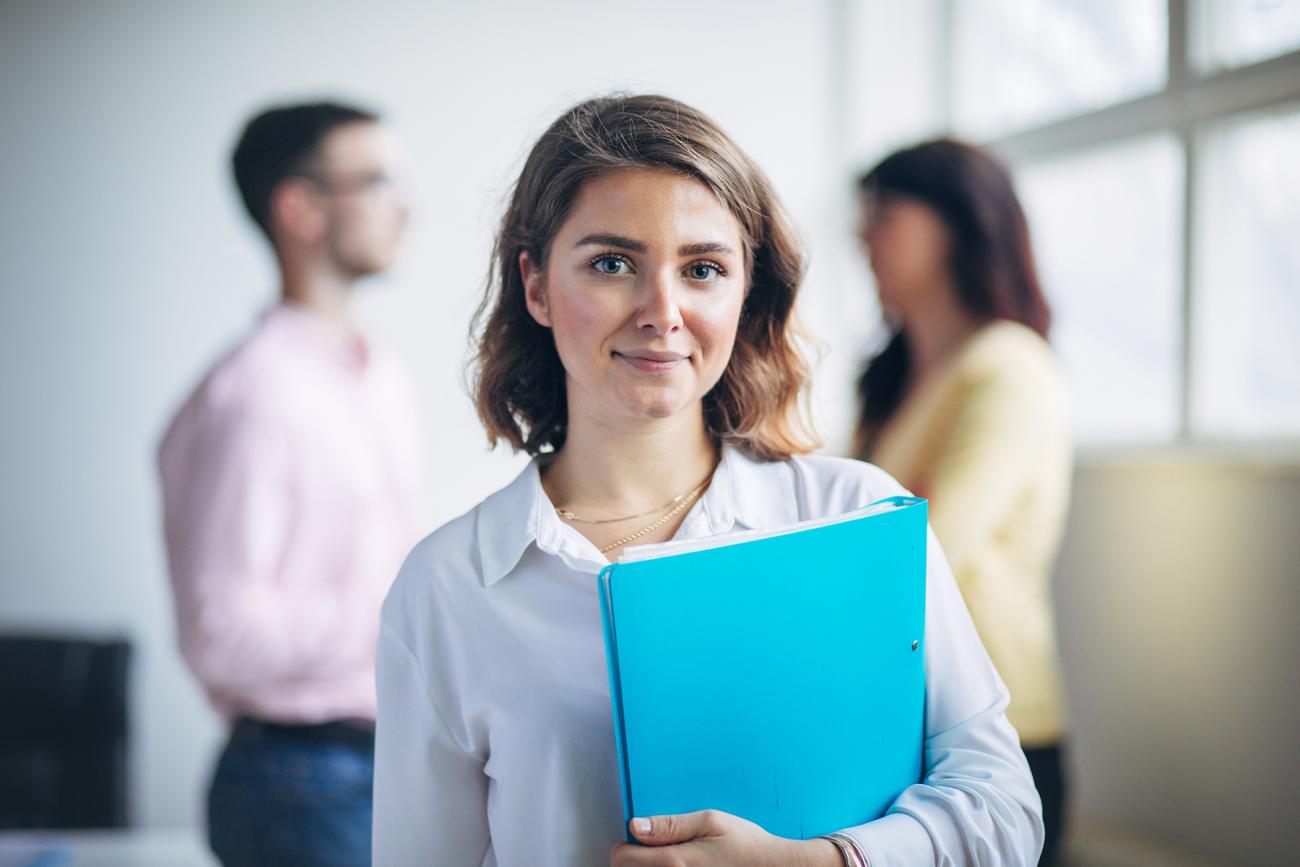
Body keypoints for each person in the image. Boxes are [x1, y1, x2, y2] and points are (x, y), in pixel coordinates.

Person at [373, 94, 1042, 867]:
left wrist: (817, 862)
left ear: (744, 292)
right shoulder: (447, 587)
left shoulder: (855, 517)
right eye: (612, 263)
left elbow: (1004, 813)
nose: (663, 311)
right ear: (535, 286)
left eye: (703, 269)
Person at [157, 101, 423, 866]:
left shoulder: (379, 376)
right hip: (299, 780)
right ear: (299, 207)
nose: (406, 207)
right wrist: (408, 614)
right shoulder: (252, 395)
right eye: (377, 181)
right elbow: (221, 634)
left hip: (381, 764)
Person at [851, 138, 1072, 866]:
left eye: (884, 213)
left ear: (955, 222)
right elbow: (845, 540)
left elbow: (920, 551)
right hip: (892, 726)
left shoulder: (1007, 366)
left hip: (995, 728)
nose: (862, 235)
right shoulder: (890, 380)